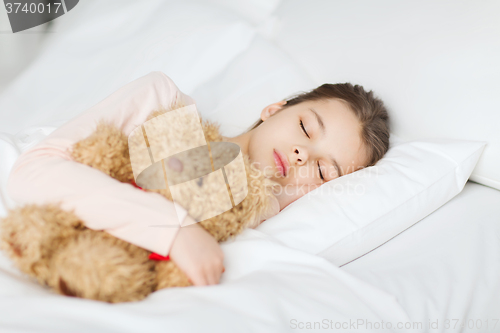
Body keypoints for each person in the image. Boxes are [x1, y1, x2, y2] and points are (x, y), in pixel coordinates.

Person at [6, 71, 390, 288]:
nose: (302, 155)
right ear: (274, 110)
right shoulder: (163, 104)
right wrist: (175, 229)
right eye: (306, 128)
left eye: (323, 171)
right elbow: (34, 170)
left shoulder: (250, 223)